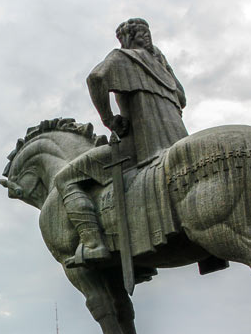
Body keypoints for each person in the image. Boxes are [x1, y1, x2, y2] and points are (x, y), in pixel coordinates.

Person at [55, 17, 188, 265]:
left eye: (143, 32)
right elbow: (182, 98)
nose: (145, 36)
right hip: (178, 143)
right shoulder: (163, 70)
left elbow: (96, 78)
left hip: (138, 146)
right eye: (142, 32)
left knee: (64, 178)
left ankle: (93, 243)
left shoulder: (123, 58)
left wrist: (109, 120)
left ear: (124, 40)